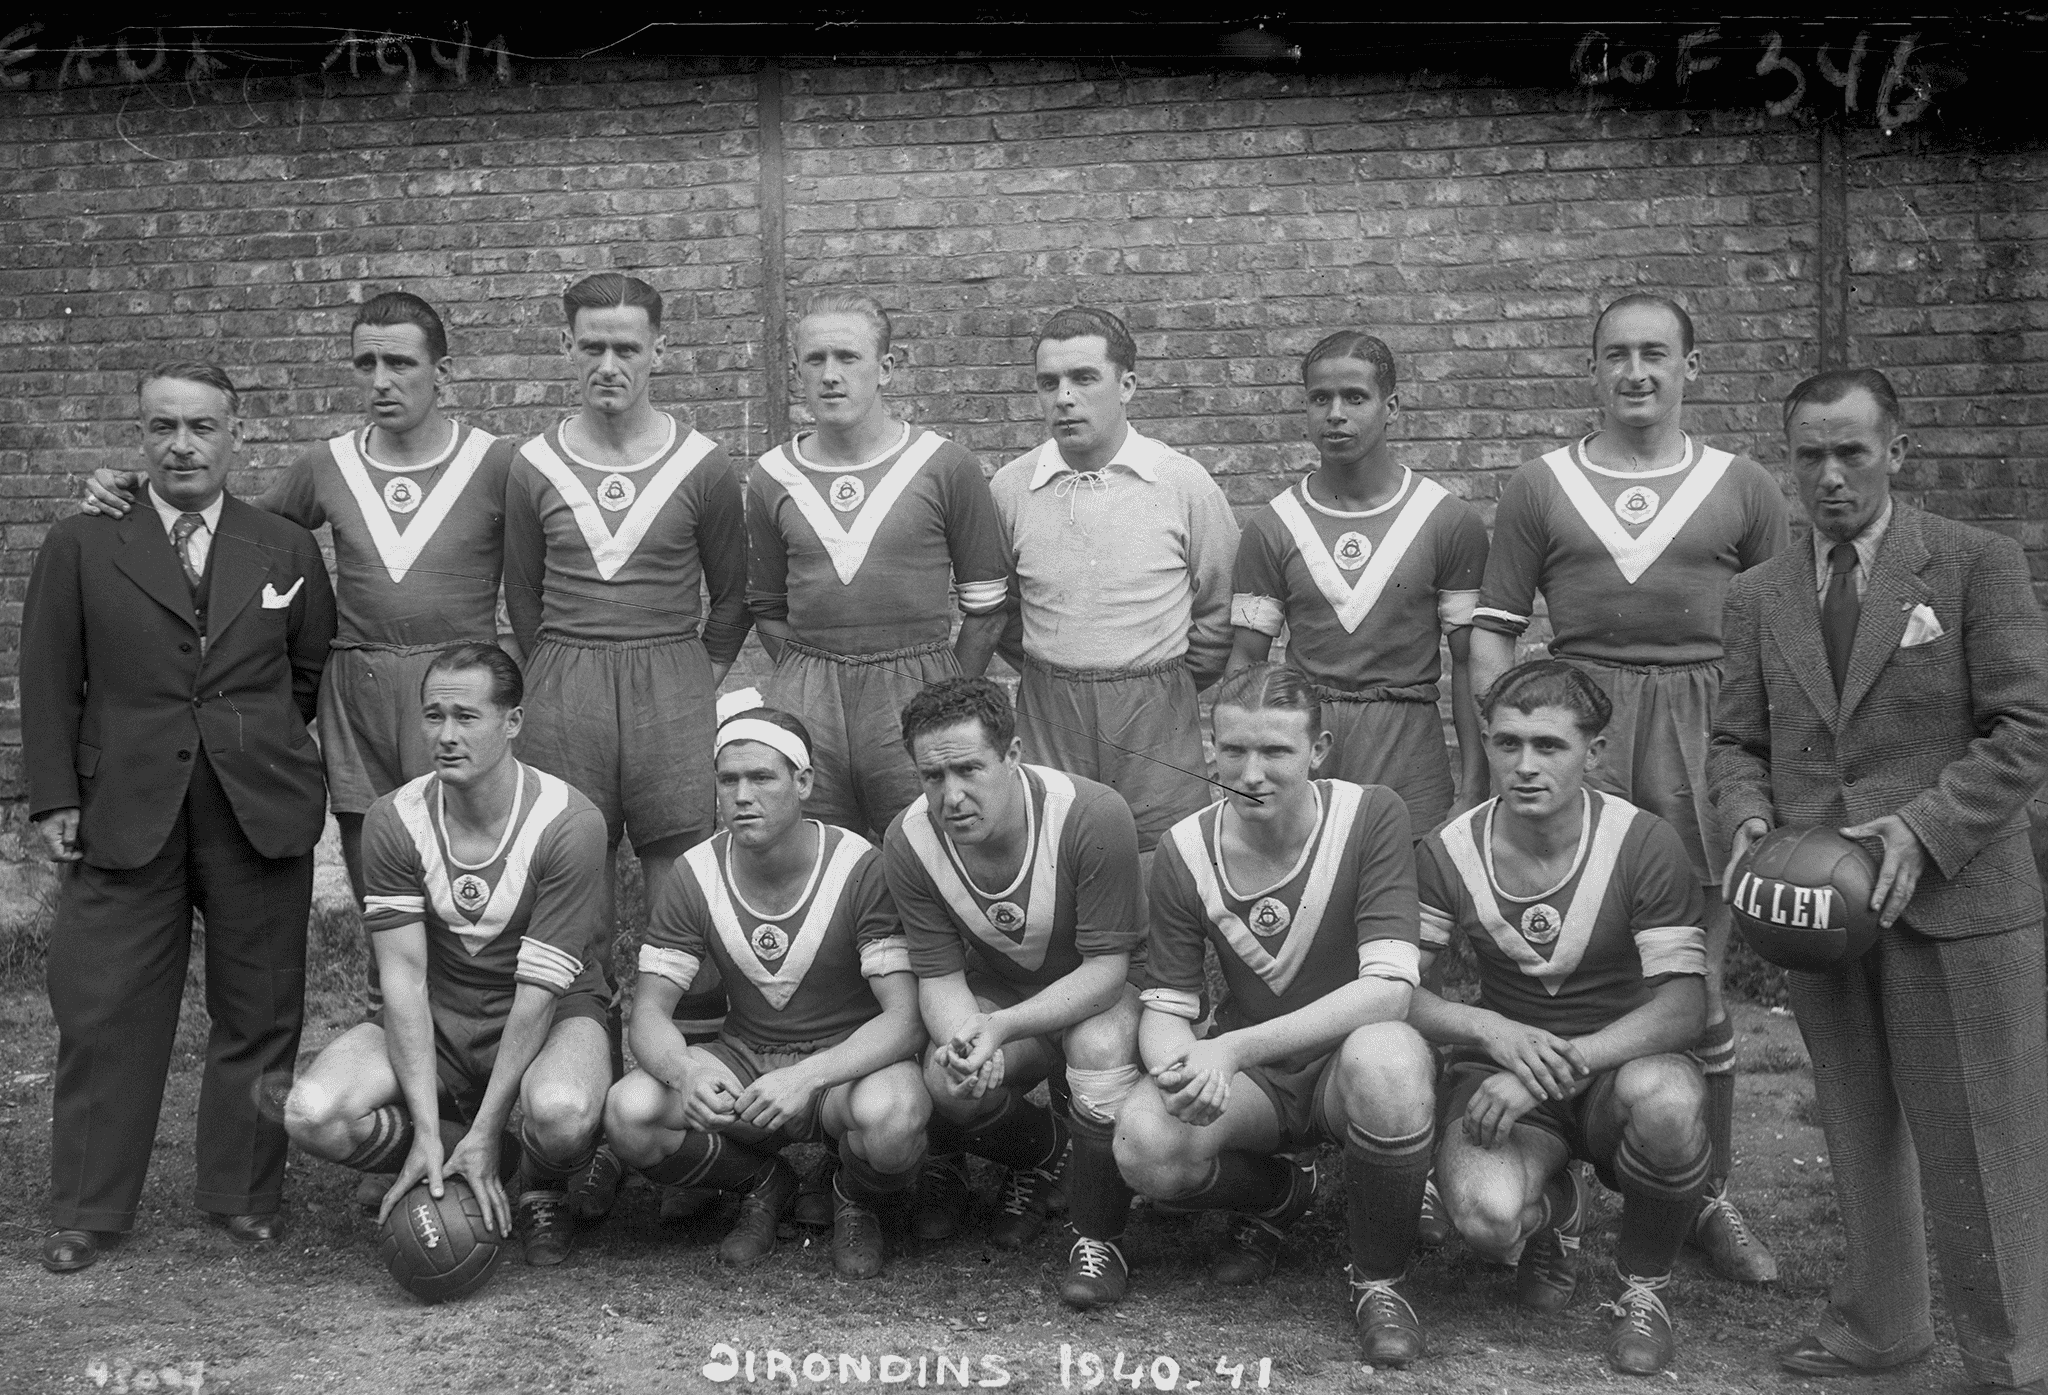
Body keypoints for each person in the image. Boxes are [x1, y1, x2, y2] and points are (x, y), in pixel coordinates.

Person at [1710, 368, 2048, 1392]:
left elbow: (2022, 726)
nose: (1827, 476)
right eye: (1807, 455)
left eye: (1849, 451)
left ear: (1895, 452)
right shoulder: (1754, 593)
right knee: (1855, 1122)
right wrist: (1747, 820)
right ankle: (1880, 1327)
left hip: (1955, 899)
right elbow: (1731, 741)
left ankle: (2008, 1355)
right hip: (1817, 908)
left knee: (1983, 1133)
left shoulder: (1972, 563)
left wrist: (1921, 827)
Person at [1468, 294, 1787, 1283]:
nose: (1635, 371)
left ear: (1694, 364)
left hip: (1700, 740)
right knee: (1567, 964)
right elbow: (1490, 628)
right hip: (1578, 728)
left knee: (1697, 985)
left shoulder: (1742, 486)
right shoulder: (1540, 485)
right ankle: (1557, 1167)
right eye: (1615, 354)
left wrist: (1762, 778)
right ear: (1592, 368)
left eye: (1655, 354)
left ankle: (1703, 1197)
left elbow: (1780, 640)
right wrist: (1504, 738)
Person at [24, 361, 337, 1272]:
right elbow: (49, 679)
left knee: (262, 1008)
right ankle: (87, 1207)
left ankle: (244, 1196)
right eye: (162, 427)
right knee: (105, 1007)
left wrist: (260, 750)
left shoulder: (283, 545)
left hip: (255, 811)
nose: (182, 445)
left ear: (236, 434)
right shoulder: (84, 541)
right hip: (124, 807)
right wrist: (55, 797)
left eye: (201, 426)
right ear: (140, 436)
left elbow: (306, 672)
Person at [80, 292, 516, 902]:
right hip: (359, 690)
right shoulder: (328, 463)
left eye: (400, 364)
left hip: (456, 686)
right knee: (382, 883)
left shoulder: (499, 462)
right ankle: (386, 1000)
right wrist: (135, 484)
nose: (381, 381)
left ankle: (472, 995)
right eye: (365, 364)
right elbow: (236, 533)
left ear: (442, 373)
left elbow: (541, 577)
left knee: (465, 870)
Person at [503, 271, 749, 1205]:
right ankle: (568, 1128)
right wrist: (565, 673)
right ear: (569, 349)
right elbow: (522, 598)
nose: (609, 363)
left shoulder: (704, 464)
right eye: (591, 346)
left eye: (627, 347)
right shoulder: (532, 464)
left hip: (672, 683)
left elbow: (732, 597)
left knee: (682, 895)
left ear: (659, 351)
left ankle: (680, 1123)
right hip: (564, 677)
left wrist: (688, 679)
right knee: (571, 900)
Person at [1112, 665, 1436, 1366]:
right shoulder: (1185, 847)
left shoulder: (1370, 813)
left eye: (1276, 752)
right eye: (1233, 751)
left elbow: (1389, 989)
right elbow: (1167, 1004)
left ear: (1318, 750)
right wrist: (1182, 1064)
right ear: (1211, 751)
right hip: (1259, 1077)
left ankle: (1379, 1278)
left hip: (1349, 1068)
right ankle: (1281, 1196)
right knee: (1145, 1141)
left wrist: (1228, 1050)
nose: (1251, 772)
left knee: (1389, 1053)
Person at [1410, 660, 1713, 1377]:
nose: (1525, 765)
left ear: (1593, 752)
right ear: (1483, 743)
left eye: (1549, 745)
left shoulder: (1642, 842)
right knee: (1485, 1217)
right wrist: (1492, 1031)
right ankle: (1557, 1201)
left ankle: (1644, 1288)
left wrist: (1566, 1059)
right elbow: (1395, 989)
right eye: (1507, 743)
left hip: (1616, 1066)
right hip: (1506, 1065)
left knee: (1670, 1100)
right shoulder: (1449, 849)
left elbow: (1684, 1005)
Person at [282, 643, 614, 1266]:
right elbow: (403, 981)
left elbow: (540, 993)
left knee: (563, 1113)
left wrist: (494, 1123)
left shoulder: (570, 822)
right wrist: (427, 1131)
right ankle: (448, 1151)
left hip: (551, 1009)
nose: (447, 735)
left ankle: (540, 1175)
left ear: (512, 722)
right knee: (312, 1113)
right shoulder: (394, 819)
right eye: (434, 716)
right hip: (442, 1013)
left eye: (467, 717)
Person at [604, 708, 930, 1279]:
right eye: (728, 781)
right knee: (630, 1113)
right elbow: (649, 1011)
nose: (742, 795)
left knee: (896, 1118)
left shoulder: (860, 868)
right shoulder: (695, 872)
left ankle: (850, 1191)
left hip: (843, 1068)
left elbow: (905, 1020)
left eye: (762, 778)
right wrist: (684, 1070)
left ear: (803, 783)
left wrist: (808, 1076)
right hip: (748, 1060)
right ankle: (760, 1182)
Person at [883, 678, 1145, 1308]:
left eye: (970, 769)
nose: (952, 795)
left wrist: (1001, 1028)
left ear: (1014, 754)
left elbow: (1108, 970)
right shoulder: (910, 838)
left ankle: (1097, 1234)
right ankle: (1048, 1155)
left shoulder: (1091, 813)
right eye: (932, 776)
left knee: (1102, 1044)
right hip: (1010, 995)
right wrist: (969, 1042)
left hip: (1107, 992)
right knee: (950, 1077)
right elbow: (941, 978)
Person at [747, 289, 1010, 840]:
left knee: (924, 847)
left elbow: (986, 609)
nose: (830, 375)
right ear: (798, 370)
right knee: (819, 850)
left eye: (848, 358)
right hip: (809, 686)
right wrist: (810, 677)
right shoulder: (772, 476)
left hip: (917, 681)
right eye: (814, 360)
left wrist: (945, 692)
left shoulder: (945, 466)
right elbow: (768, 608)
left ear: (885, 368)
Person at [990, 306, 1239, 853]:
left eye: (1083, 378)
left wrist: (1162, 684)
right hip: (1050, 707)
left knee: (1165, 859)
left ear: (1126, 385)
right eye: (1048, 382)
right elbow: (1003, 611)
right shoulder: (1012, 487)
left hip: (1156, 708)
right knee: (1056, 854)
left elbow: (1219, 606)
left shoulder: (1180, 482)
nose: (1063, 397)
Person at [1229, 330, 1490, 836]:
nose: (1335, 413)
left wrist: (1474, 789)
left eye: (1355, 397)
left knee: (1410, 898)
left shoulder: (1446, 520)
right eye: (1319, 398)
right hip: (1308, 745)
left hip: (1409, 749)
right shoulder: (1272, 525)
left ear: (1390, 407)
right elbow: (1246, 664)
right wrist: (1239, 777)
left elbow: (1468, 663)